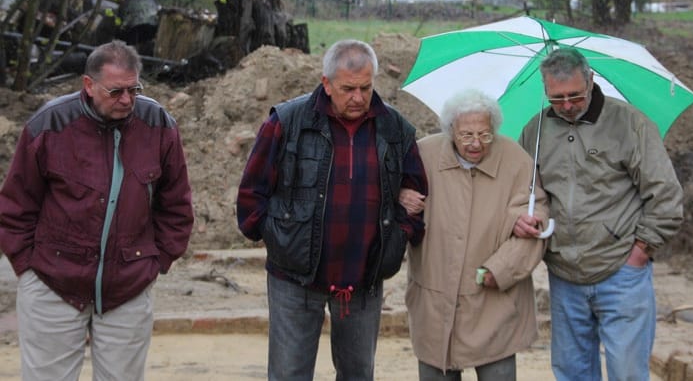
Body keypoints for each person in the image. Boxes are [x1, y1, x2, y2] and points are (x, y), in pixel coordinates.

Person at [0, 40, 194, 380]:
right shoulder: (50, 125)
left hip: (128, 287)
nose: (126, 100)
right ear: (88, 85)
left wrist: (155, 262)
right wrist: (27, 268)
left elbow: (176, 205)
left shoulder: (159, 126)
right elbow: (16, 205)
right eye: (115, 91)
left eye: (134, 90)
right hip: (52, 283)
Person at [236, 38, 427, 380]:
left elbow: (416, 193)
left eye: (365, 88)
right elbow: (252, 196)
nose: (358, 97)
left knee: (358, 373)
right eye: (348, 88)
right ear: (326, 83)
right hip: (295, 279)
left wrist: (396, 238)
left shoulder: (395, 129)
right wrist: (280, 240)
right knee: (289, 373)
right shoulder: (287, 122)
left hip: (363, 278)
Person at [514, 47, 684, 381]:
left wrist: (640, 251)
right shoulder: (535, 131)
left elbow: (665, 194)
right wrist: (523, 215)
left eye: (574, 96)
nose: (565, 105)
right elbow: (523, 193)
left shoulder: (629, 123)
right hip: (564, 275)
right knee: (571, 372)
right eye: (556, 98)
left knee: (627, 373)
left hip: (621, 272)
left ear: (591, 80)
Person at [399, 88, 549, 380]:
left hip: (494, 303)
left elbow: (537, 218)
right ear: (450, 130)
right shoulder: (424, 154)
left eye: (485, 134)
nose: (477, 143)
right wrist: (402, 194)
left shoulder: (516, 160)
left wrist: (500, 269)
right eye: (467, 135)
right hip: (434, 301)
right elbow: (391, 192)